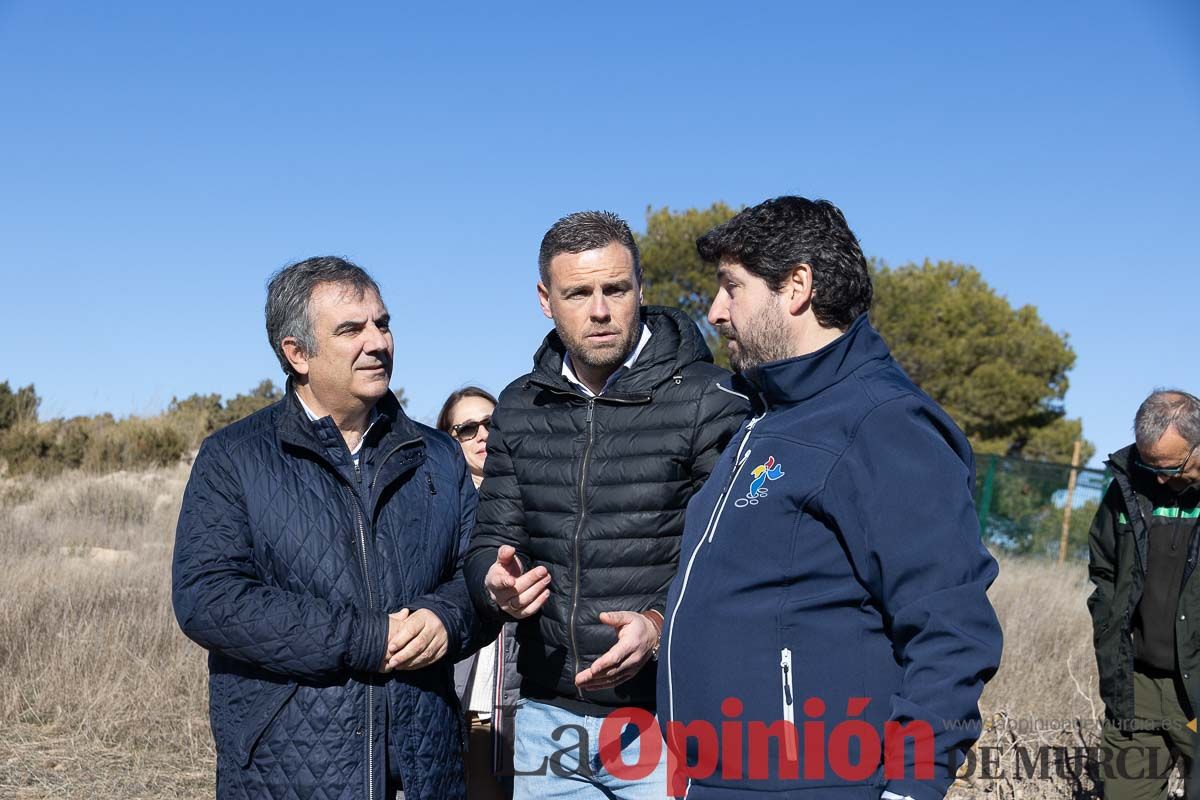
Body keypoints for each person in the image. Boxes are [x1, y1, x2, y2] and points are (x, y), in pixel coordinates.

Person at [658, 196, 1004, 800]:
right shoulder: (767, 417)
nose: (714, 311)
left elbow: (951, 627)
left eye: (731, 288)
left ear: (796, 287)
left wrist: (911, 787)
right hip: (712, 778)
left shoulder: (883, 423)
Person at [172, 256, 483, 800]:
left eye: (382, 324)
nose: (378, 341)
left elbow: (477, 573)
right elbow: (208, 598)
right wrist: (366, 638)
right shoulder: (234, 457)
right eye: (351, 329)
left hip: (425, 767)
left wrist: (447, 616)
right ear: (297, 354)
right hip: (286, 772)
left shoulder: (438, 457)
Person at [463, 210, 748, 799]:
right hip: (547, 717)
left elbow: (733, 555)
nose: (599, 310)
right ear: (546, 299)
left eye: (615, 289)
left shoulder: (708, 397)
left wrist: (657, 625)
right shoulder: (520, 404)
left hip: (664, 715)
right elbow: (490, 536)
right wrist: (493, 581)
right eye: (578, 292)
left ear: (640, 289)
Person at [1089, 389, 1200, 800]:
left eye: (1170, 467)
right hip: (1137, 688)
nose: (1158, 478)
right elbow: (1103, 567)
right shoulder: (1128, 486)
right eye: (1147, 463)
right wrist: (1109, 630)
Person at [439, 387, 520, 800]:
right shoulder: (436, 511)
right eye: (467, 429)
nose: (483, 435)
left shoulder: (530, 497)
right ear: (448, 440)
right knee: (471, 779)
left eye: (492, 423)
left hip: (518, 681)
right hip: (461, 677)